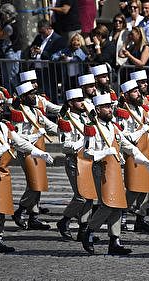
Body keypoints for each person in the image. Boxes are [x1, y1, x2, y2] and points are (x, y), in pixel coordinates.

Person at [0, 94, 53, 253]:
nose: (1, 110)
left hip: (2, 169)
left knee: (3, 204)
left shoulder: (4, 126)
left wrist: (39, 153)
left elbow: (20, 142)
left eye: (1, 107)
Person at [80, 92, 149, 255]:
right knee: (107, 205)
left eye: (111, 106)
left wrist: (143, 159)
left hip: (114, 169)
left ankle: (115, 241)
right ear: (98, 109)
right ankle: (89, 231)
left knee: (118, 206)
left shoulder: (112, 126)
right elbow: (87, 153)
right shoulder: (92, 128)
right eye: (106, 107)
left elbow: (127, 145)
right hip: (101, 169)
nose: (110, 109)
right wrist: (105, 151)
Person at [10, 81, 58, 230]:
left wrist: (65, 131)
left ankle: (33, 217)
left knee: (40, 183)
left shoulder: (36, 111)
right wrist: (36, 135)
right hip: (27, 151)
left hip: (39, 150)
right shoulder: (18, 114)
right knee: (34, 184)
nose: (34, 96)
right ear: (23, 97)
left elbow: (51, 125)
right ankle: (20, 210)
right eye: (30, 94)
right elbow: (16, 137)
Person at [115, 79, 149, 233]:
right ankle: (122, 216)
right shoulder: (123, 113)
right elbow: (126, 137)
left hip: (146, 150)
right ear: (126, 95)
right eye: (134, 92)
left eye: (138, 91)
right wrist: (142, 130)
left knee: (145, 187)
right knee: (133, 188)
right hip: (133, 153)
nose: (138, 93)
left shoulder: (143, 109)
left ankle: (141, 218)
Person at [56, 88, 94, 240]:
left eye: (83, 99)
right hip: (74, 160)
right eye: (79, 100)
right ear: (71, 103)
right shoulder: (65, 120)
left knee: (90, 196)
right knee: (81, 197)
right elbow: (65, 146)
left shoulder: (86, 117)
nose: (82, 103)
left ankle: (83, 229)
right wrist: (83, 140)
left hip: (88, 159)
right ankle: (64, 220)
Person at [29, 20, 66, 100]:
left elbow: (55, 55)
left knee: (50, 92)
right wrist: (32, 50)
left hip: (49, 70)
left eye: (43, 32)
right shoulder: (39, 37)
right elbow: (33, 46)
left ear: (49, 28)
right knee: (40, 91)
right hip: (37, 69)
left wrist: (41, 52)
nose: (42, 34)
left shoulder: (58, 39)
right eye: (40, 32)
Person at [0, 3, 23, 88]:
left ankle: (19, 96)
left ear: (8, 14)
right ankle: (10, 96)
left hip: (12, 54)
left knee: (12, 77)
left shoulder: (9, 27)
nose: (2, 16)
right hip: (10, 53)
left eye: (3, 14)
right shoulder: (14, 23)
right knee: (6, 78)